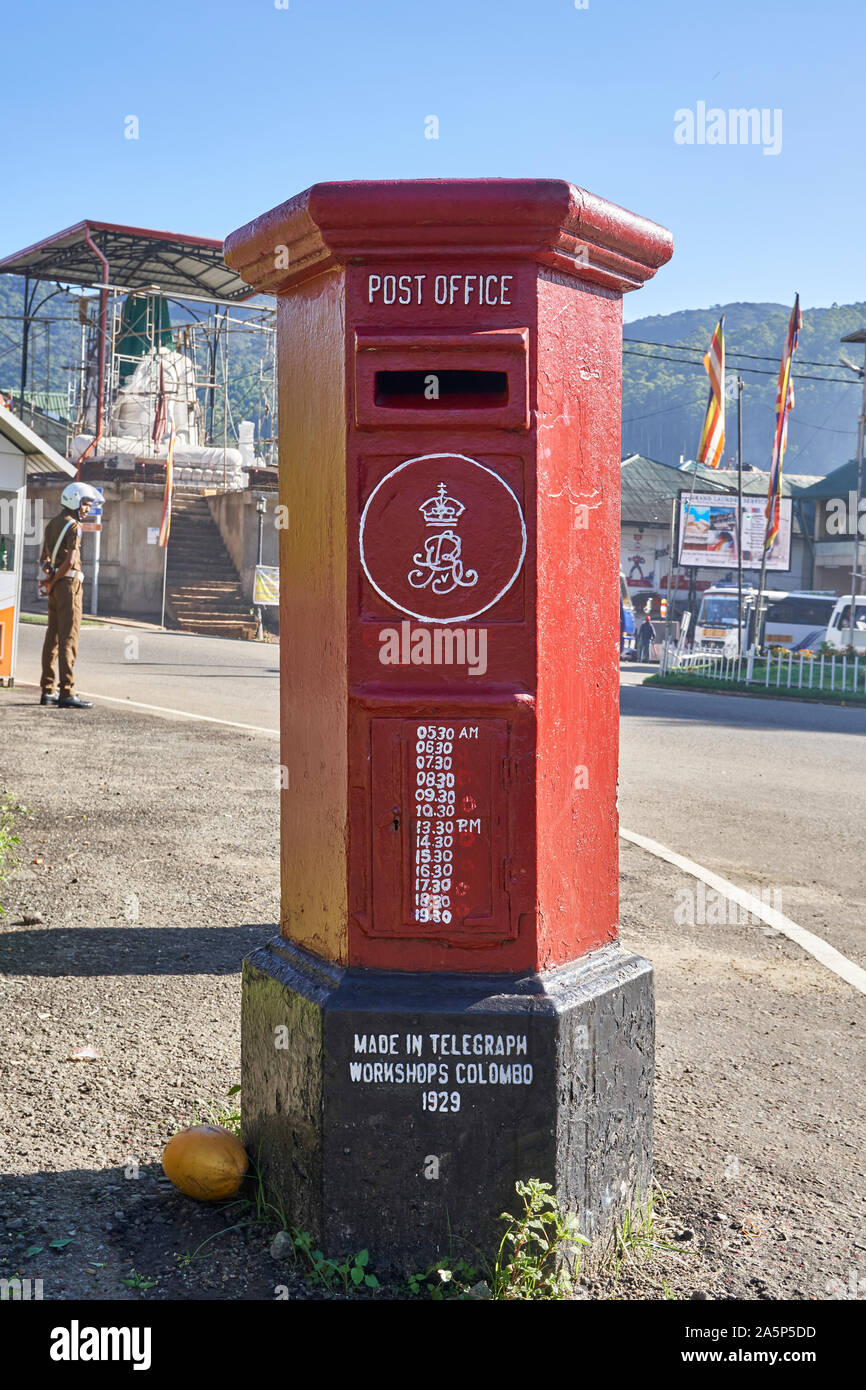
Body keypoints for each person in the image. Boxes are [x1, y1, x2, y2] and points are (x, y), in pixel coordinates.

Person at [39, 481, 102, 709]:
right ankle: (67, 691)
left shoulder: (53, 524)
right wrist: (55, 580)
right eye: (85, 504)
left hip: (56, 587)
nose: (87, 509)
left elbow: (44, 559)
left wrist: (49, 579)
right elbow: (71, 560)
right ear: (74, 501)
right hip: (69, 585)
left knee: (52, 637)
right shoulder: (74, 526)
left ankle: (48, 690)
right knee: (69, 638)